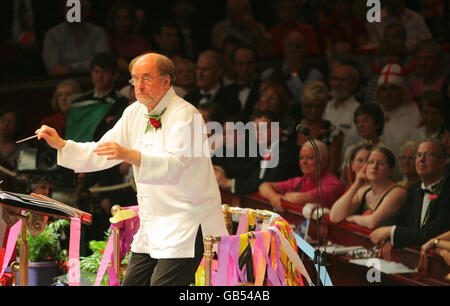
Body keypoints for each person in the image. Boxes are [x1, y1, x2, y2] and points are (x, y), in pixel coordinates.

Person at [36, 52, 228, 286]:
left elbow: (175, 167)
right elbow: (104, 150)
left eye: (146, 78)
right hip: (153, 221)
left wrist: (129, 154)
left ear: (166, 81)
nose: (139, 86)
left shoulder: (186, 115)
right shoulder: (134, 111)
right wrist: (63, 144)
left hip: (186, 221)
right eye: (134, 79)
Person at [370, 140, 450, 250]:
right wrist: (386, 238)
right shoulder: (414, 189)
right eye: (419, 155)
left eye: (428, 155)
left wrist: (392, 232)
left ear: (443, 162)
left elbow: (430, 234)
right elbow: (397, 218)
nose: (421, 160)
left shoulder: (447, 192)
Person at [215, 110, 299, 196]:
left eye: (263, 128)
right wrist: (220, 171)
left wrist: (231, 183)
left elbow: (266, 182)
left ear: (277, 130)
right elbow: (246, 174)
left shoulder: (286, 153)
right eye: (255, 129)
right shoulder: (261, 152)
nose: (258, 133)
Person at [329, 146, 407, 229]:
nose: (374, 166)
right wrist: (355, 185)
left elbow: (372, 222)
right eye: (371, 162)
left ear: (390, 171)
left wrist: (352, 218)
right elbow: (335, 216)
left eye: (381, 163)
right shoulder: (364, 190)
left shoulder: (398, 192)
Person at [259, 140, 345, 212]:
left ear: (323, 160)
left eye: (310, 157)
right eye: (301, 158)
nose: (304, 162)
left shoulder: (334, 185)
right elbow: (264, 186)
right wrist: (274, 197)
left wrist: (285, 196)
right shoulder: (303, 179)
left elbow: (296, 198)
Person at [42, 0, 110, 75]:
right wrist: (89, 65)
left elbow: (102, 63)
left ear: (86, 12)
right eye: (68, 8)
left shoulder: (98, 33)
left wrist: (70, 68)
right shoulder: (52, 35)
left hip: (93, 79)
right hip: (62, 82)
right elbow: (54, 70)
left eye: (75, 8)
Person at [296, 81, 343, 175]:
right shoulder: (291, 129)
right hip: (291, 183)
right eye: (309, 106)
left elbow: (332, 170)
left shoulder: (332, 132)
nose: (313, 111)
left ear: (324, 106)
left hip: (320, 185)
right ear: (303, 105)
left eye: (318, 106)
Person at [184, 50, 241, 118]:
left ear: (218, 72)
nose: (200, 74)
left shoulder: (230, 100)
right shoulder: (188, 100)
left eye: (206, 69)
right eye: (198, 68)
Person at [366, 0, 432, 52]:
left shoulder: (417, 18)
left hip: (415, 61)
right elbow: (373, 48)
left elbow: (428, 43)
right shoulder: (373, 20)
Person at [106, 1, 152, 74]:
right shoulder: (109, 40)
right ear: (113, 20)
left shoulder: (141, 41)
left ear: (132, 20)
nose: (123, 21)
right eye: (119, 18)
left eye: (127, 18)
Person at [322, 63, 360, 139]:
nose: (337, 84)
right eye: (335, 79)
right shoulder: (323, 107)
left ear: (353, 84)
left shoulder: (358, 111)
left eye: (343, 80)